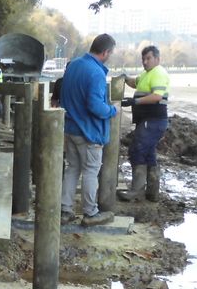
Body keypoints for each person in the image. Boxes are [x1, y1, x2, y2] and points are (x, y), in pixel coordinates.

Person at [58, 34, 118, 226]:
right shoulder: (96, 73)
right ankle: (90, 213)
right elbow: (95, 106)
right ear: (106, 52)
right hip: (89, 131)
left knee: (72, 168)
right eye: (110, 53)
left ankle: (65, 210)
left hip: (70, 127)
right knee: (91, 171)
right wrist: (112, 110)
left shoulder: (74, 65)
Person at [118, 45, 170, 202]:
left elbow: (157, 96)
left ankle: (136, 191)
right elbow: (136, 83)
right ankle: (152, 192)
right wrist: (126, 79)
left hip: (153, 120)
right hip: (148, 120)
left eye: (148, 58)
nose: (145, 62)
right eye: (143, 59)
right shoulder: (147, 74)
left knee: (137, 150)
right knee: (148, 154)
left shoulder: (158, 73)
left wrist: (135, 101)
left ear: (157, 59)